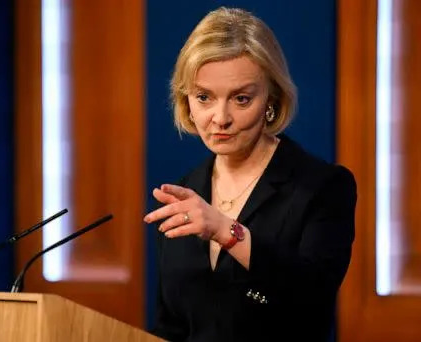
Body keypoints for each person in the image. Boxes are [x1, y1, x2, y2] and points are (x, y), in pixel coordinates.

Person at [143, 7, 356, 342]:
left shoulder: (322, 187)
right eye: (204, 97)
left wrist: (226, 231)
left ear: (270, 99)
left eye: (241, 99)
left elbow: (310, 306)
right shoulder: (185, 194)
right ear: (187, 100)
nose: (220, 117)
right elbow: (173, 325)